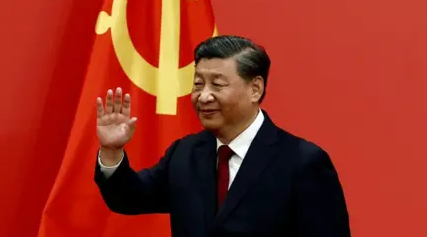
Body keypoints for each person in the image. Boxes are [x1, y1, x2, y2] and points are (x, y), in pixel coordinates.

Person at [94, 35, 350, 236]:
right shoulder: (185, 154)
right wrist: (112, 151)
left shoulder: (302, 162)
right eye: (197, 84)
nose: (204, 96)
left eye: (217, 85)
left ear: (255, 88)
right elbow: (129, 199)